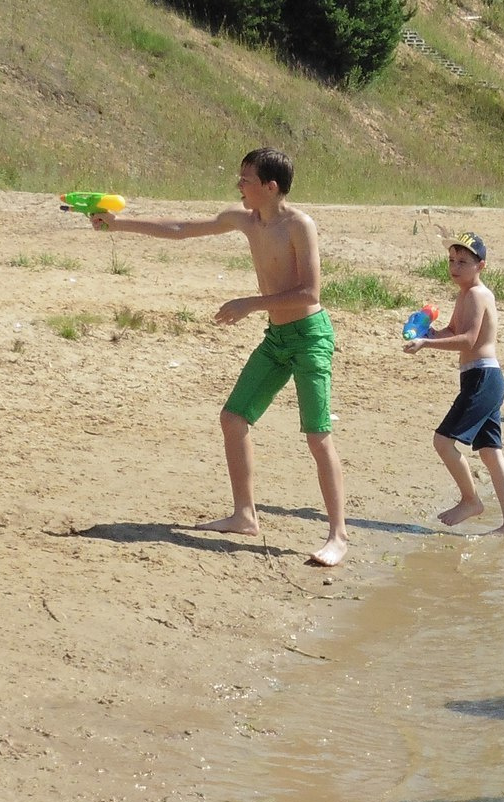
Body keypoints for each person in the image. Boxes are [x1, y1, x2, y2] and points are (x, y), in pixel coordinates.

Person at [94, 148, 347, 567]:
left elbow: (310, 294)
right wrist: (120, 224)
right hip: (277, 337)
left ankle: (337, 535)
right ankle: (245, 515)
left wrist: (250, 303)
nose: (238, 186)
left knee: (318, 436)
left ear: (270, 186)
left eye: (246, 180)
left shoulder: (299, 226)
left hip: (309, 337)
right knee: (233, 419)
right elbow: (180, 228)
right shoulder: (244, 219)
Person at [406, 231, 504, 535]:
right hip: (481, 378)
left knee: (443, 441)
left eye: (463, 262)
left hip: (483, 377)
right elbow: (454, 330)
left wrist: (427, 346)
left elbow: (468, 340)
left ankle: (470, 500)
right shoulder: (465, 294)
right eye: (452, 261)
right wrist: (428, 335)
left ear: (481, 265)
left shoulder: (478, 294)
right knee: (490, 452)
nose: (455, 267)